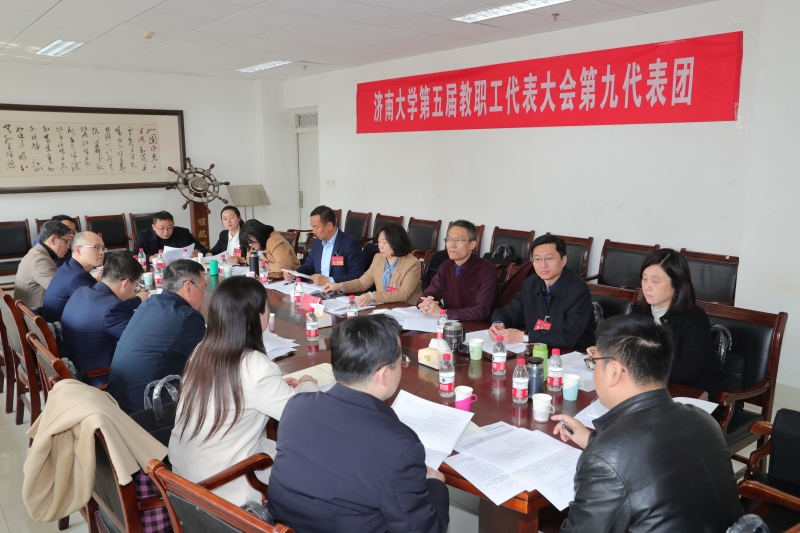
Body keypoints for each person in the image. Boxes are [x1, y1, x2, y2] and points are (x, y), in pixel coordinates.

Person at [552, 315, 742, 532]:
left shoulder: (606, 457)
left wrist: (600, 451)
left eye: (594, 363)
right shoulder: (705, 420)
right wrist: (592, 440)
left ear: (614, 372)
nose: (594, 370)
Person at [268, 315, 449, 533]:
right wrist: (436, 485)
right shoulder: (400, 446)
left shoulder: (296, 407)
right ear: (383, 375)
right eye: (400, 361)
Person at [168, 276, 318, 506]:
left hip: (184, 477)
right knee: (313, 462)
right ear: (254, 315)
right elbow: (302, 417)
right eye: (267, 308)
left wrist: (275, 386)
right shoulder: (256, 365)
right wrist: (308, 385)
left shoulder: (202, 350)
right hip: (224, 486)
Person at [107, 260, 207, 414]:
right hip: (149, 410)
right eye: (202, 289)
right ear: (188, 287)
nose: (203, 295)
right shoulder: (187, 317)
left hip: (120, 402)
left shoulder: (150, 303)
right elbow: (210, 361)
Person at [631, 248, 716, 397]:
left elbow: (689, 371)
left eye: (655, 281)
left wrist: (646, 366)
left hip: (685, 395)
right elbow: (628, 345)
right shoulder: (640, 309)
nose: (647, 286)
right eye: (644, 278)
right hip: (647, 389)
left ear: (676, 285)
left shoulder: (695, 319)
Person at [490, 234, 595, 351]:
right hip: (538, 349)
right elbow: (512, 311)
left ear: (563, 260)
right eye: (537, 259)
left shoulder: (578, 290)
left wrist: (523, 336)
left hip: (571, 353)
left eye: (549, 258)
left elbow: (569, 335)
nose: (543, 265)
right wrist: (498, 323)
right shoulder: (531, 283)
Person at [61, 252, 148, 381]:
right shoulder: (113, 308)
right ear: (125, 283)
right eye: (136, 285)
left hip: (77, 364)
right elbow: (142, 341)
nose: (136, 289)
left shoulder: (81, 291)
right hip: (97, 375)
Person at [323, 222, 422, 305]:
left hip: (405, 309)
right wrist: (340, 286)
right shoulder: (378, 258)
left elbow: (403, 294)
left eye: (384, 243)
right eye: (379, 242)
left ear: (397, 243)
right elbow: (362, 283)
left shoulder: (412, 263)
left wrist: (372, 296)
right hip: (383, 307)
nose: (380, 246)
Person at [417, 220, 497, 321]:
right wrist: (424, 303)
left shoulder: (488, 271)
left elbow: (481, 311)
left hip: (476, 326)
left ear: (472, 244)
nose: (452, 245)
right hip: (448, 323)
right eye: (449, 239)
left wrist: (444, 313)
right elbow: (429, 294)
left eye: (458, 240)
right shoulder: (446, 266)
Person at [282, 205, 363, 286]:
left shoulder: (350, 244)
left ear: (329, 226)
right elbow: (309, 265)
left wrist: (329, 280)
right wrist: (294, 274)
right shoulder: (318, 242)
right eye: (313, 227)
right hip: (318, 289)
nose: (314, 232)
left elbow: (357, 275)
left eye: (316, 227)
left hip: (339, 291)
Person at [42, 232, 106, 323]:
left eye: (103, 248)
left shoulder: (68, 267)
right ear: (78, 250)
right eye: (96, 247)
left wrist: (95, 282)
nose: (102, 252)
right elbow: (100, 309)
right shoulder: (79, 277)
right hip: (63, 329)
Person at [14, 221, 74, 308]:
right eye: (66, 242)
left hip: (32, 309)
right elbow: (61, 291)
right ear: (53, 240)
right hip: (36, 313)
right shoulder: (40, 260)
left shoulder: (36, 252)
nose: (68, 247)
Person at [135, 211, 208, 261]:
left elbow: (203, 249)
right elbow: (134, 255)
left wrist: (198, 252)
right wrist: (150, 258)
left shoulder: (183, 233)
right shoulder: (144, 235)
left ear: (173, 224)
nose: (166, 232)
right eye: (161, 228)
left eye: (169, 227)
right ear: (154, 227)